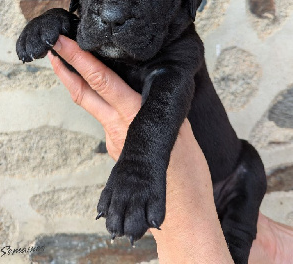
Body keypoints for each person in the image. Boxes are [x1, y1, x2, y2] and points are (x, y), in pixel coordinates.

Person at [47, 35, 293, 264]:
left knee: (248, 168)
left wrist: (189, 228)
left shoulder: (182, 47)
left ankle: (243, 237)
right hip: (259, 231)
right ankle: (260, 242)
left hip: (233, 174)